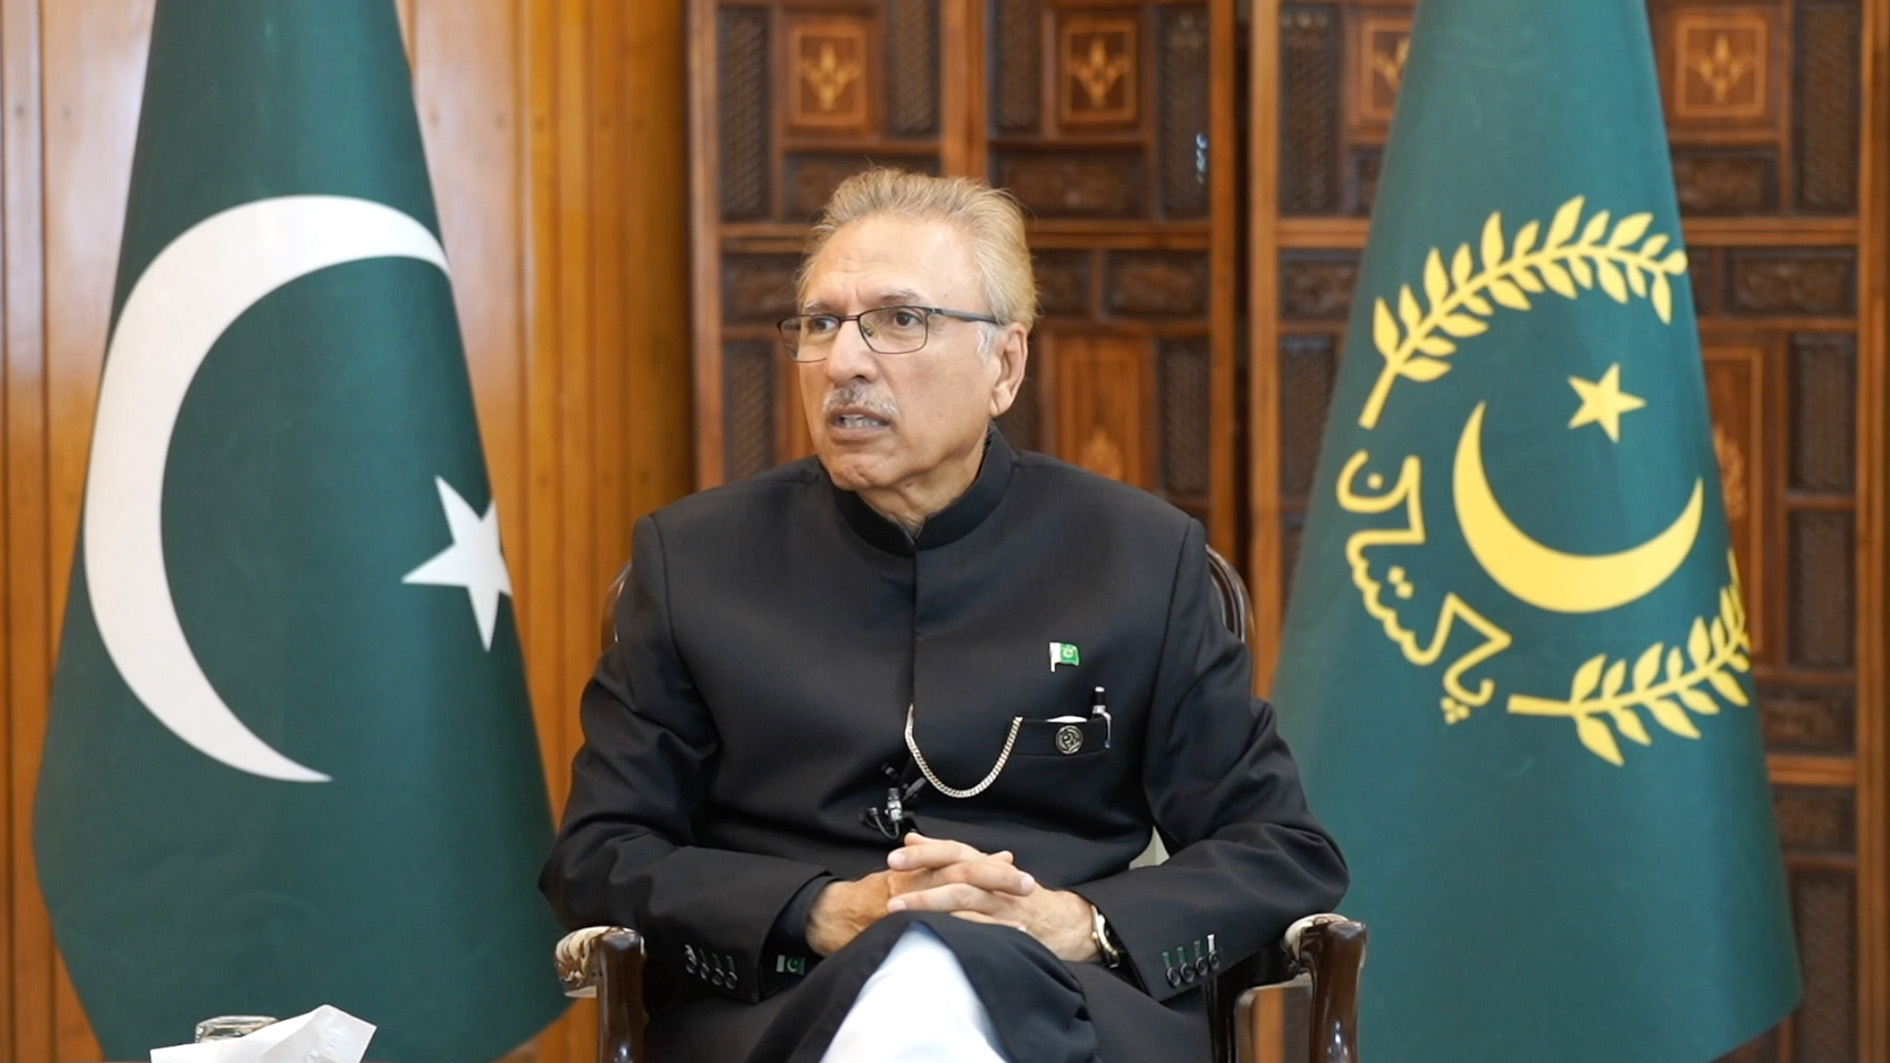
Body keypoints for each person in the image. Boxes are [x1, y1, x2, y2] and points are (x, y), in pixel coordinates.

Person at [540, 169, 1348, 1063]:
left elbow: (1280, 848)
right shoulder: (696, 562)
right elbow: (600, 854)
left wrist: (1079, 919)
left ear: (1005, 364)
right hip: (788, 1011)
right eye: (821, 323)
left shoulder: (1137, 558)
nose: (844, 362)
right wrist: (812, 909)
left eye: (898, 320)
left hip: (1068, 1011)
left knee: (932, 985)